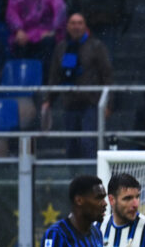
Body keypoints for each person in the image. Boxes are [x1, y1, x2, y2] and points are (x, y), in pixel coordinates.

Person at [43, 12, 113, 159]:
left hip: (91, 103)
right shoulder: (61, 47)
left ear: (85, 26)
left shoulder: (96, 46)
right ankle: (74, 178)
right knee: (71, 145)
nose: (76, 26)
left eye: (80, 23)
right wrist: (48, 99)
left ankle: (91, 178)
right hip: (69, 103)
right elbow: (55, 75)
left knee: (88, 142)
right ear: (67, 26)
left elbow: (107, 75)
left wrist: (108, 103)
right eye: (73, 23)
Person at [5, 0, 64, 66]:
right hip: (24, 34)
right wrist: (18, 30)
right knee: (18, 43)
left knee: (49, 43)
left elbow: (60, 11)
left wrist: (53, 31)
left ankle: (45, 75)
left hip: (46, 34)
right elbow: (11, 12)